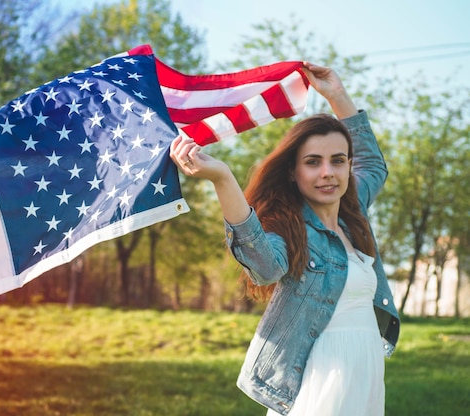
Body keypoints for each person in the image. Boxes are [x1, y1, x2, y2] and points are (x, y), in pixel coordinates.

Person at [170, 62, 400, 416]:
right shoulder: (290, 228)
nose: (327, 172)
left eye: (338, 161)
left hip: (364, 370)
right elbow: (263, 267)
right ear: (293, 172)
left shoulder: (354, 216)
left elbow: (373, 164)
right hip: (321, 376)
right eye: (313, 162)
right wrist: (223, 180)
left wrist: (336, 94)